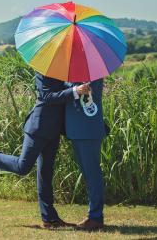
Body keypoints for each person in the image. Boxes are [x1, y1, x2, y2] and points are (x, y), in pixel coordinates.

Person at [0, 72, 90, 228]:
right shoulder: (43, 70)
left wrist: (77, 86)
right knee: (23, 167)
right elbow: (48, 96)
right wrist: (76, 91)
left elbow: (62, 88)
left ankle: (49, 219)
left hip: (53, 130)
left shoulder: (60, 69)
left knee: (45, 174)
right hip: (38, 127)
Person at [65, 79, 107, 231]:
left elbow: (81, 91)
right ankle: (94, 215)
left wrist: (68, 87)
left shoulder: (91, 71)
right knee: (89, 175)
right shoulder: (75, 72)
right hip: (77, 129)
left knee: (92, 174)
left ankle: (96, 217)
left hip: (88, 129)